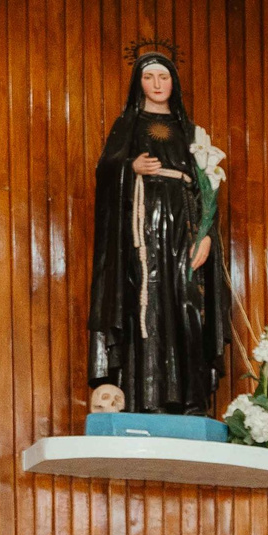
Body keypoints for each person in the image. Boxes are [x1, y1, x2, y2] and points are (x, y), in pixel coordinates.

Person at [87, 48, 229, 415]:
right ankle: (145, 400)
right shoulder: (128, 126)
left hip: (184, 227)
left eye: (163, 77)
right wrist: (130, 167)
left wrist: (206, 235)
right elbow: (106, 172)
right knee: (145, 304)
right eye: (149, 77)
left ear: (173, 83)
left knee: (187, 304)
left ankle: (192, 401)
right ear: (139, 84)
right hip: (141, 229)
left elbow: (207, 188)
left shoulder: (192, 132)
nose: (157, 84)